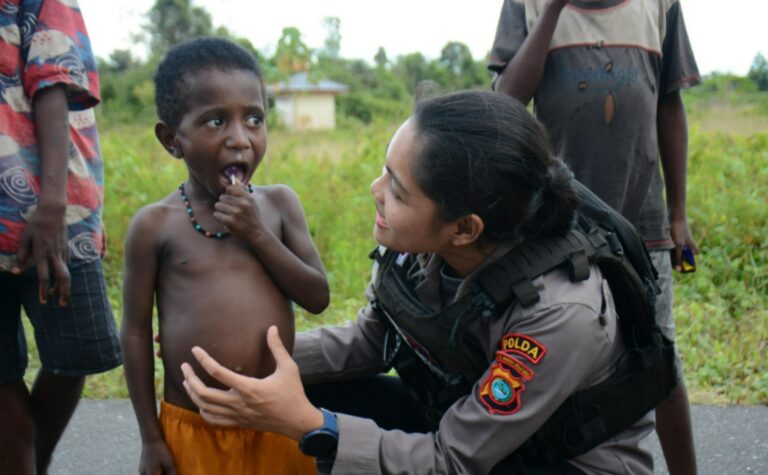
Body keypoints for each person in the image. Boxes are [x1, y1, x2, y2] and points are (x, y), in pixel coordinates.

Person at [180, 90, 659, 474]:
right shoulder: (421, 247)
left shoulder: (559, 313)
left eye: (398, 191)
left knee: (311, 420)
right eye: (386, 172)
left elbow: (452, 460)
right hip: (475, 429)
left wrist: (308, 424)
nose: (376, 192)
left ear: (465, 228)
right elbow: (372, 339)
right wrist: (244, 353)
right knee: (311, 394)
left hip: (558, 461)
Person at [487, 1, 700, 473]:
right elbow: (505, 102)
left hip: (641, 225)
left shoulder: (659, 6)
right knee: (557, 359)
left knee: (659, 363)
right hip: (556, 228)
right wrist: (552, 12)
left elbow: (669, 105)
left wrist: (678, 214)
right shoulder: (528, 4)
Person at [120, 37, 329, 475]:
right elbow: (137, 334)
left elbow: (317, 297)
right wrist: (150, 437)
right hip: (194, 425)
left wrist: (258, 234)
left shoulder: (279, 206)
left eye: (254, 119)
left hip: (278, 420)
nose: (240, 139)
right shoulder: (155, 225)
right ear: (171, 139)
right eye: (216, 121)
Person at [0, 1, 122, 472]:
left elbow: (53, 76)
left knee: (81, 349)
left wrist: (51, 205)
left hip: (55, 211)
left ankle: (33, 458)